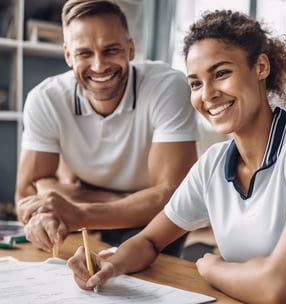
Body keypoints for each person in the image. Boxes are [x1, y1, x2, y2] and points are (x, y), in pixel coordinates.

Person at [67, 9, 286, 304]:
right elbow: (148, 240)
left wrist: (213, 268)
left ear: (260, 67)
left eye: (221, 73)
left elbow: (283, 289)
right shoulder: (213, 163)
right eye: (195, 83)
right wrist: (111, 264)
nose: (207, 94)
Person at [14, 0, 198, 257]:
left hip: (154, 218)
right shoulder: (44, 99)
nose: (99, 66)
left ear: (130, 49)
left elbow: (174, 197)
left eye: (111, 50)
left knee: (145, 282)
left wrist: (78, 206)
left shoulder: (167, 87)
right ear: (68, 55)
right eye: (84, 53)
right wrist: (121, 201)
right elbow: (28, 191)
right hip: (109, 209)